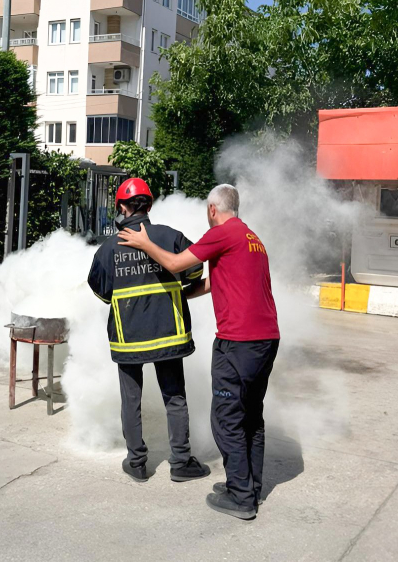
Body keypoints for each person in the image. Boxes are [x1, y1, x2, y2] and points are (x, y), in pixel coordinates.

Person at [118, 184, 280, 520]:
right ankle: (249, 486)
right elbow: (216, 281)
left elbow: (176, 262)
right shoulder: (252, 239)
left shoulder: (222, 233)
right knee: (251, 416)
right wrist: (175, 296)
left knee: (227, 419)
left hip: (238, 343)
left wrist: (145, 243)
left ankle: (241, 498)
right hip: (266, 340)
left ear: (212, 209)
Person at [88, 177, 211, 484]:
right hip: (168, 332)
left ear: (121, 207)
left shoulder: (109, 248)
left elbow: (102, 292)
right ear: (150, 205)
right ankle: (181, 462)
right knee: (175, 397)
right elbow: (195, 270)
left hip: (128, 337)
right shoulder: (170, 237)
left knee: (131, 400)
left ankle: (137, 463)